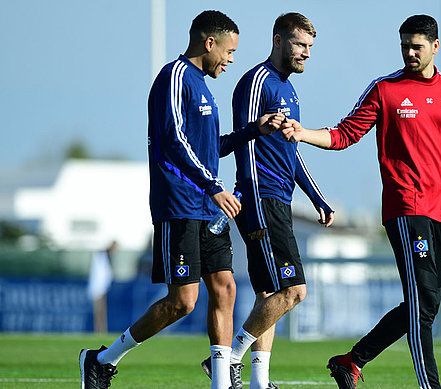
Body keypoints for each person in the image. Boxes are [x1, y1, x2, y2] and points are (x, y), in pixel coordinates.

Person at [282, 14, 441, 389]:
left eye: (417, 46)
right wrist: (304, 133)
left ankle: (351, 361)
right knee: (421, 306)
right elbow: (345, 134)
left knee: (425, 307)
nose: (409, 53)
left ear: (435, 46)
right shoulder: (386, 89)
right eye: (404, 46)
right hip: (405, 208)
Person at [79, 10, 289, 389]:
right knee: (183, 302)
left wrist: (251, 131)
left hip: (207, 207)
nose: (231, 59)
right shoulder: (174, 78)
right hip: (179, 205)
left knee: (226, 287)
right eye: (228, 51)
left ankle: (221, 382)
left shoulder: (204, 87)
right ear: (209, 43)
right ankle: (102, 359)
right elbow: (175, 142)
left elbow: (210, 149)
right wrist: (214, 186)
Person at [201, 12, 334, 389]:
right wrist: (252, 197)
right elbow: (244, 142)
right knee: (294, 291)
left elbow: (291, 154)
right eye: (298, 44)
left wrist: (317, 198)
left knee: (269, 294)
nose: (305, 53)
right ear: (278, 41)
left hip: (280, 200)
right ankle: (229, 361)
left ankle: (260, 382)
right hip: (261, 198)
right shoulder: (256, 81)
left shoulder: (290, 90)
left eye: (310, 46)